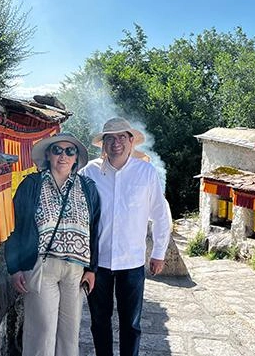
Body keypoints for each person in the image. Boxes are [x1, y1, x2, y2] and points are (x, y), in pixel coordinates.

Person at [79, 117, 172, 356]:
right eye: (110, 137)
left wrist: (159, 253)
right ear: (103, 144)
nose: (116, 142)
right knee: (99, 322)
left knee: (131, 324)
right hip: (96, 263)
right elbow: (74, 209)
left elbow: (161, 215)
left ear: (131, 141)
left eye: (122, 137)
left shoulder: (146, 172)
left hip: (132, 262)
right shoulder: (89, 173)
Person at [5, 132, 101, 356]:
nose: (63, 156)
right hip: (42, 266)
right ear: (48, 154)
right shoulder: (32, 185)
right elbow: (15, 226)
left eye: (70, 151)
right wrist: (14, 267)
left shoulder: (88, 188)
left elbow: (94, 229)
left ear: (76, 158)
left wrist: (92, 269)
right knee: (43, 330)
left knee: (70, 332)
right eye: (57, 150)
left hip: (76, 271)